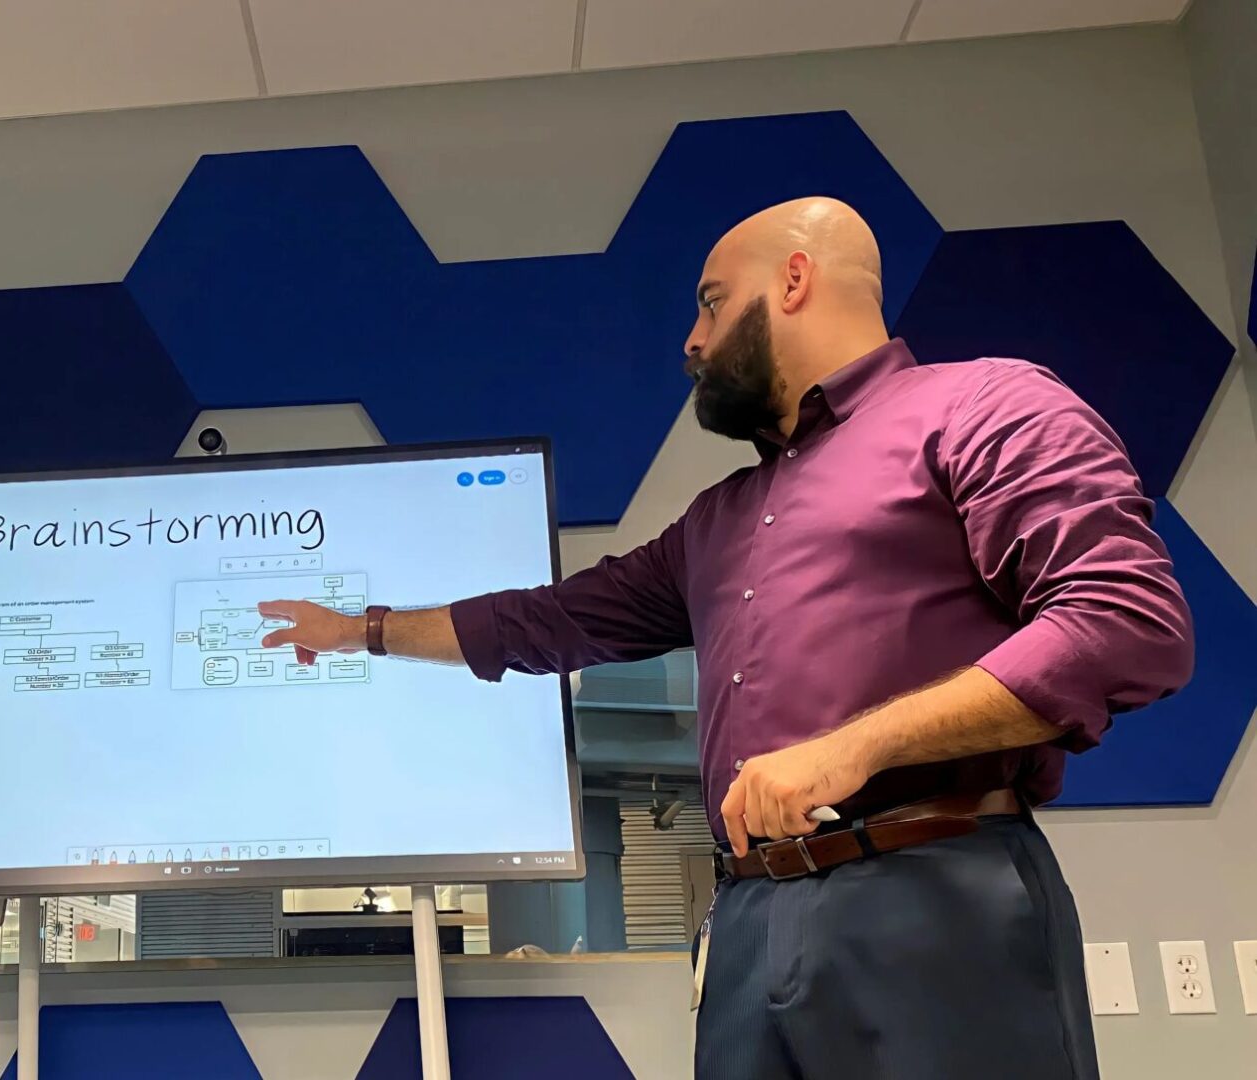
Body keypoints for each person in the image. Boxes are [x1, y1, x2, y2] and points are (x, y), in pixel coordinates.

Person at [257, 197, 1194, 1080]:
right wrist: (362, 631)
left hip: (939, 893)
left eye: (710, 303)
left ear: (793, 281)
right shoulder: (717, 521)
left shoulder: (983, 406)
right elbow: (546, 621)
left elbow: (1122, 621)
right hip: (749, 920)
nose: (692, 342)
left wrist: (850, 750)